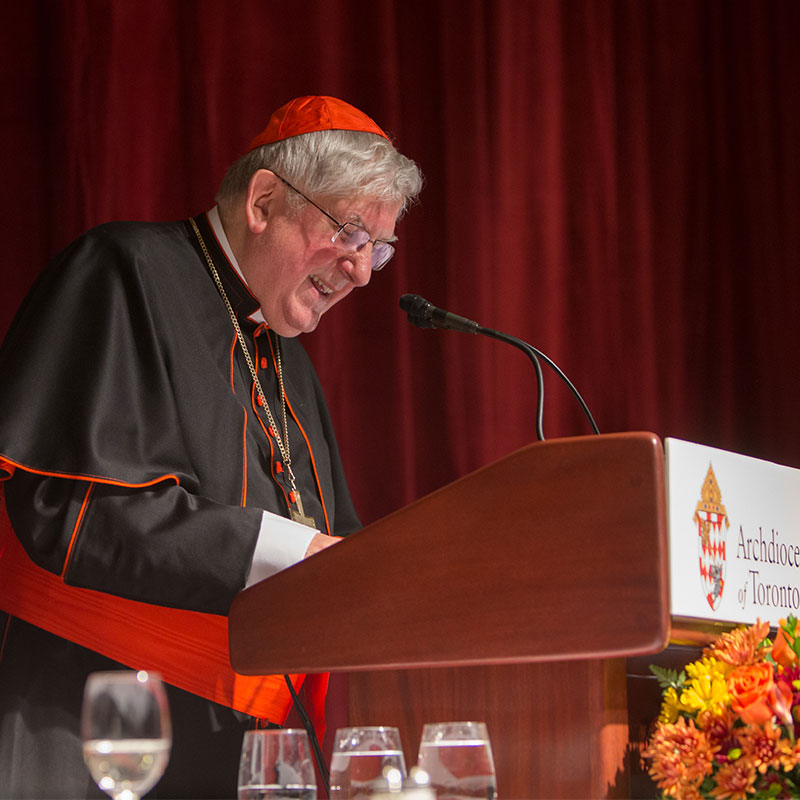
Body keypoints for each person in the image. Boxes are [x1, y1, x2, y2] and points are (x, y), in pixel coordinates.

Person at [0, 95, 423, 799]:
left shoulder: (286, 359)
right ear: (264, 201)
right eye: (351, 234)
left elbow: (340, 551)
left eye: (379, 250)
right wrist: (301, 555)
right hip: (90, 728)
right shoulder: (122, 270)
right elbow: (72, 514)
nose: (364, 273)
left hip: (243, 758)